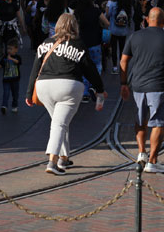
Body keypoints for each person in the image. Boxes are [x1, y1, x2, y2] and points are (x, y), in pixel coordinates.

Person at [25, 13, 106, 175]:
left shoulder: (45, 43)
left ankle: (64, 157)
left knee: (60, 121)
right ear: (74, 26)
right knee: (59, 124)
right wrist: (99, 89)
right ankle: (52, 162)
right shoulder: (77, 44)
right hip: (68, 86)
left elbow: (35, 68)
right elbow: (89, 69)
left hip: (44, 86)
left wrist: (29, 93)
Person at [120, 7, 164, 173]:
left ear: (147, 20)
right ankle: (152, 161)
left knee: (140, 120)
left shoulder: (135, 36)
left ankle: (141, 153)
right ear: (163, 21)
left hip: (138, 86)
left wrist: (123, 83)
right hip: (159, 86)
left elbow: (123, 62)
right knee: (158, 124)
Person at [75, 0, 109, 102]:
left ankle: (84, 93)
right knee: (97, 65)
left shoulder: (77, 13)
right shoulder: (96, 11)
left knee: (83, 67)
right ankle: (94, 86)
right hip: (95, 42)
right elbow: (107, 23)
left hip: (82, 43)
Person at [0, 39, 22, 114]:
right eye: (8, 48)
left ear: (16, 49)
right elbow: (1, 65)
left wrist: (11, 59)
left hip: (15, 79)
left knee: (15, 93)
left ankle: (14, 105)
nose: (9, 50)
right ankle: (4, 106)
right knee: (6, 93)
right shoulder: (5, 57)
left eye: (11, 49)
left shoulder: (17, 57)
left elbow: (18, 62)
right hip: (6, 79)